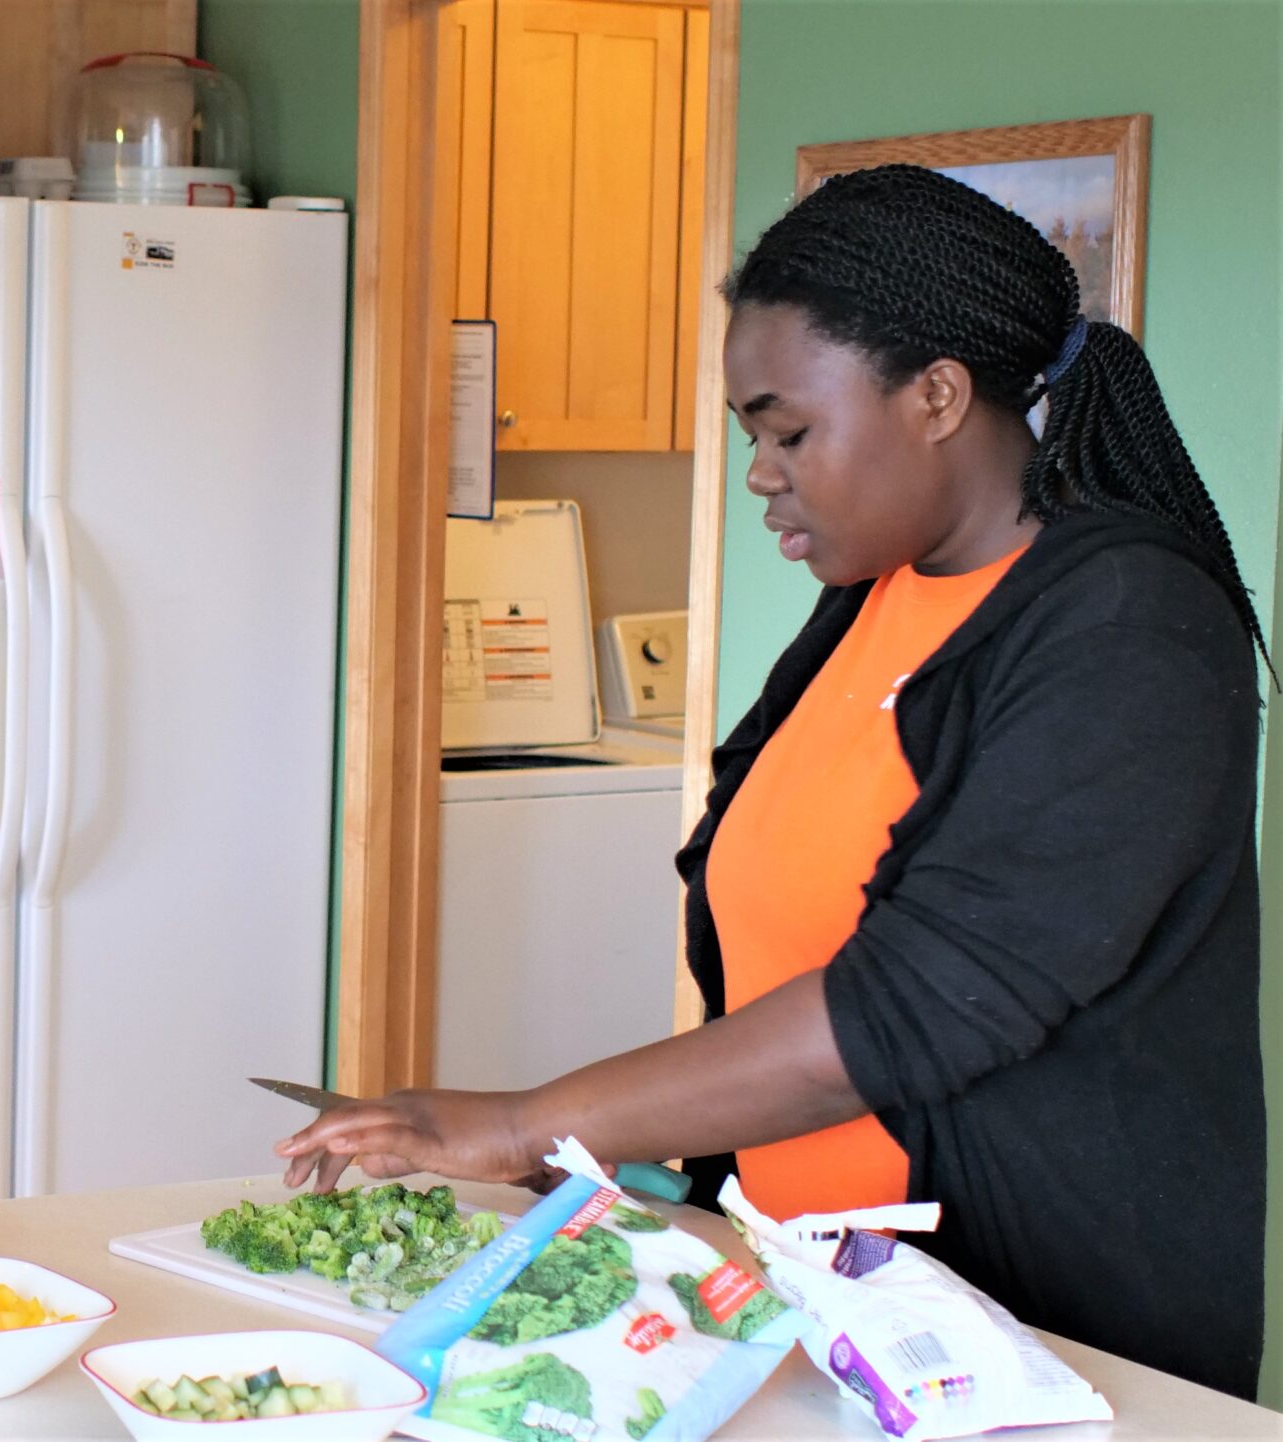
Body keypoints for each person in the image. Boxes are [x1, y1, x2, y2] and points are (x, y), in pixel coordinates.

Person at [277, 164, 1266, 1397]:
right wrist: (634, 1160)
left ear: (938, 396)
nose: (760, 470)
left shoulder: (1127, 627)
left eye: (788, 428)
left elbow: (909, 1003)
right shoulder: (873, 601)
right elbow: (783, 957)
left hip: (1040, 1350)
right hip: (822, 1310)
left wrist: (532, 1118)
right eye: (754, 434)